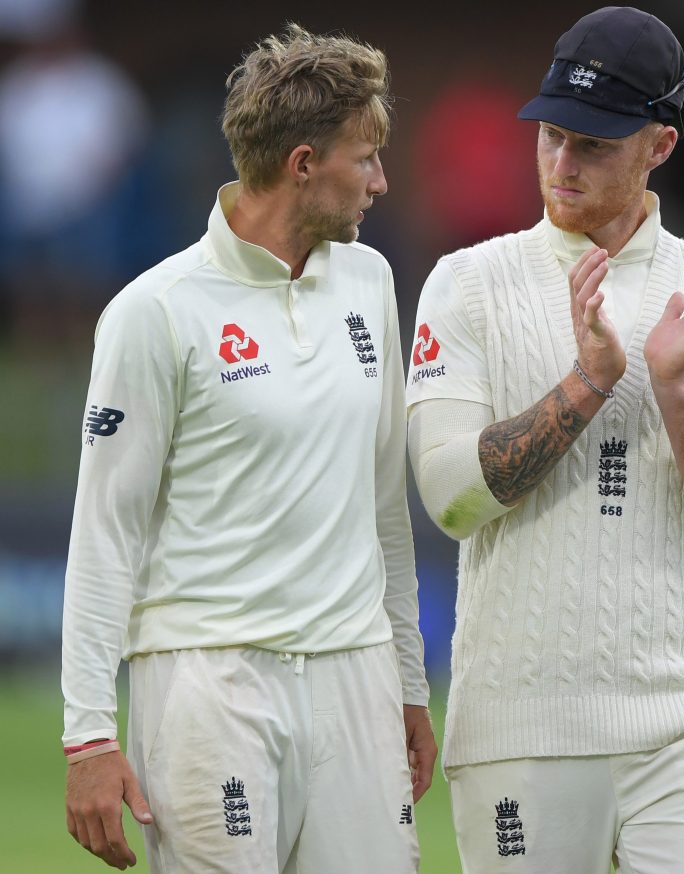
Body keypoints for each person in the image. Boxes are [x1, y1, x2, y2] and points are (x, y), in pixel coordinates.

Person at [406, 7, 684, 873]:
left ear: (659, 145)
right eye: (552, 136)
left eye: (595, 144)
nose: (563, 164)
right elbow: (450, 496)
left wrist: (674, 391)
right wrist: (588, 385)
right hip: (519, 733)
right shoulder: (465, 286)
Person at [62, 23, 436, 873]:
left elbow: (385, 505)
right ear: (303, 164)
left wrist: (408, 684)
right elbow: (105, 531)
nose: (382, 181)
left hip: (355, 678)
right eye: (366, 157)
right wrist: (88, 735)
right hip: (209, 690)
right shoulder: (154, 311)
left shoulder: (371, 281)